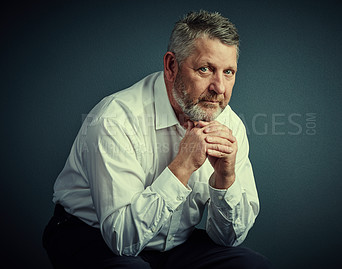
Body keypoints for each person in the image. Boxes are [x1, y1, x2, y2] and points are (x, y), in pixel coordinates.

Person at [43, 10, 272, 269]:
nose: (219, 87)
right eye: (205, 69)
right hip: (91, 235)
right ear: (171, 66)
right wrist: (182, 167)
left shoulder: (229, 124)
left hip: (174, 243)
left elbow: (229, 239)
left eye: (228, 72)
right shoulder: (114, 120)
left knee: (252, 265)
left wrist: (226, 179)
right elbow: (123, 241)